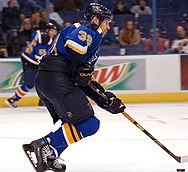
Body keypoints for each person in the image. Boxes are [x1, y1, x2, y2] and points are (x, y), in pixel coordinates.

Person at [22, 3, 126, 172]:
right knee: (90, 124)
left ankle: (50, 155)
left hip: (46, 80)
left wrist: (105, 99)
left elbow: (81, 78)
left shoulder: (77, 32)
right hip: (58, 79)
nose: (108, 26)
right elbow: (75, 46)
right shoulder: (90, 28)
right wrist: (82, 65)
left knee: (72, 123)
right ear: (95, 19)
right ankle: (45, 145)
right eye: (106, 21)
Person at [5, 23, 57, 108]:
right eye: (52, 30)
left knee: (45, 81)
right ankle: (13, 99)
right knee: (29, 83)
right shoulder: (40, 35)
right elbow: (37, 54)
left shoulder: (49, 40)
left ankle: (42, 100)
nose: (53, 33)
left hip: (36, 62)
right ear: (47, 30)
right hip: (30, 60)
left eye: (54, 31)